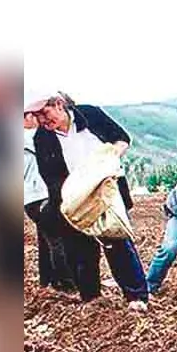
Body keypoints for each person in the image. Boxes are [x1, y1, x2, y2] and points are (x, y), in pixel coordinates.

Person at [26, 89, 149, 311]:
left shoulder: (90, 115)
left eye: (44, 113)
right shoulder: (42, 138)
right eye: (36, 116)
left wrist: (110, 156)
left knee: (117, 242)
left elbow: (122, 138)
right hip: (74, 197)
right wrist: (70, 196)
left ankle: (136, 297)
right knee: (79, 249)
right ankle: (91, 298)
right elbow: (51, 177)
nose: (42, 120)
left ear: (59, 104)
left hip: (106, 191)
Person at [23, 111, 76, 293]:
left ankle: (48, 280)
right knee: (57, 239)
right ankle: (66, 283)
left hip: (30, 198)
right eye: (34, 116)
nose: (39, 119)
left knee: (46, 239)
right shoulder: (33, 138)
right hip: (41, 195)